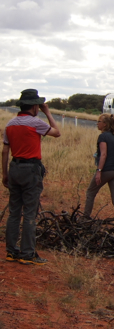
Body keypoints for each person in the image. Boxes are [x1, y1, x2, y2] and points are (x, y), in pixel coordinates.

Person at [2, 89, 61, 265]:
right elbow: (57, 132)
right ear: (35, 106)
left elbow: (5, 151)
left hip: (14, 167)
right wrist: (48, 112)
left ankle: (11, 251)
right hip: (31, 169)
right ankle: (28, 253)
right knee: (29, 213)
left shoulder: (10, 124)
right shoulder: (36, 123)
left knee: (14, 212)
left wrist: (4, 174)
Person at [83, 114, 114, 222]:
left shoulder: (103, 136)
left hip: (106, 170)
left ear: (105, 124)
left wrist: (99, 171)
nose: (97, 123)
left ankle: (85, 218)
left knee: (90, 192)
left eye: (99, 121)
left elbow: (103, 154)